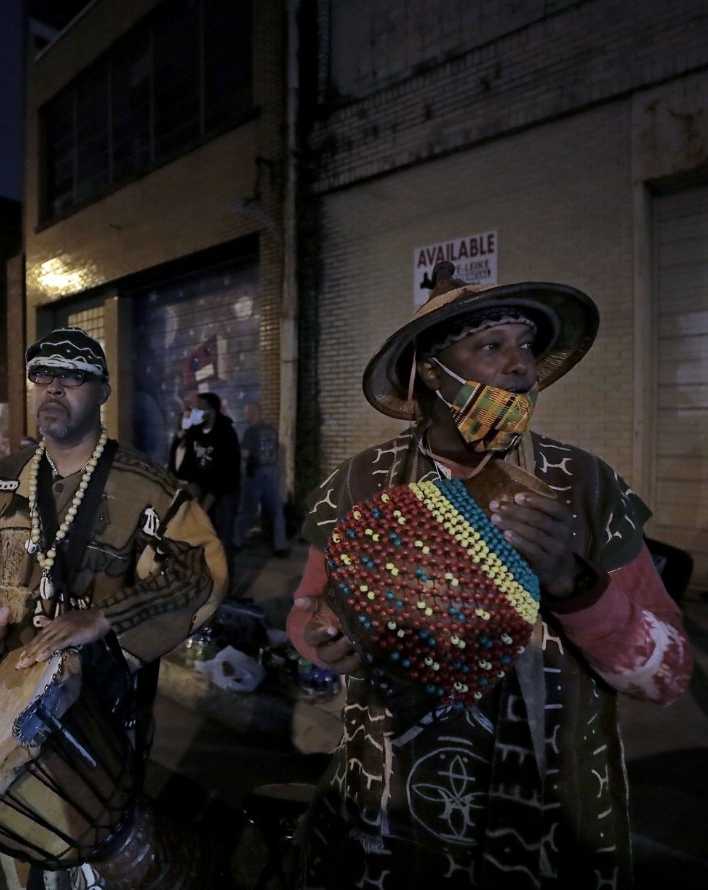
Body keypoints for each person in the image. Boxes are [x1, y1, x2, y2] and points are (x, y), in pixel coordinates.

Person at [286, 263, 693, 888]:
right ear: (430, 368)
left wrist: (571, 582)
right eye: (491, 347)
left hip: (550, 812)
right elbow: (309, 606)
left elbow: (665, 674)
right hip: (394, 800)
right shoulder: (361, 483)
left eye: (527, 347)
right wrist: (323, 637)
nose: (522, 367)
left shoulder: (584, 484)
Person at [0, 327, 229, 890]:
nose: (53, 386)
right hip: (10, 704)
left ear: (102, 391)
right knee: (24, 860)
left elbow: (202, 573)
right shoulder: (0, 484)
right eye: (42, 375)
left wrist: (105, 618)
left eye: (72, 375)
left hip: (104, 711)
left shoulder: (148, 488)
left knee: (97, 860)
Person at [168, 391, 241, 591]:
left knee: (221, 540)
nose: (195, 411)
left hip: (225, 494)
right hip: (203, 490)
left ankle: (225, 586)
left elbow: (223, 477)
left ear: (212, 411)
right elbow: (189, 470)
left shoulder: (226, 434)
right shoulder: (195, 432)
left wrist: (204, 507)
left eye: (199, 407)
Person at [233, 401, 289, 557]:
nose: (245, 416)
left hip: (256, 474)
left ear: (252, 413)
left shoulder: (251, 431)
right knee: (276, 511)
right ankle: (281, 546)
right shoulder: (271, 430)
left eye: (246, 413)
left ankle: (236, 541)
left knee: (248, 509)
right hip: (272, 472)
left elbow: (245, 454)